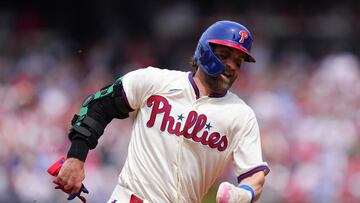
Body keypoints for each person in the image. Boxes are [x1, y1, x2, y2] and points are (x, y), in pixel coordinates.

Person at [53, 20, 269, 203]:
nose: (231, 66)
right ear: (204, 51)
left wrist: (242, 195)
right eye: (224, 56)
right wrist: (76, 158)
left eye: (238, 62)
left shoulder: (241, 115)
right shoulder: (155, 81)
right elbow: (98, 105)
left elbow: (255, 176)